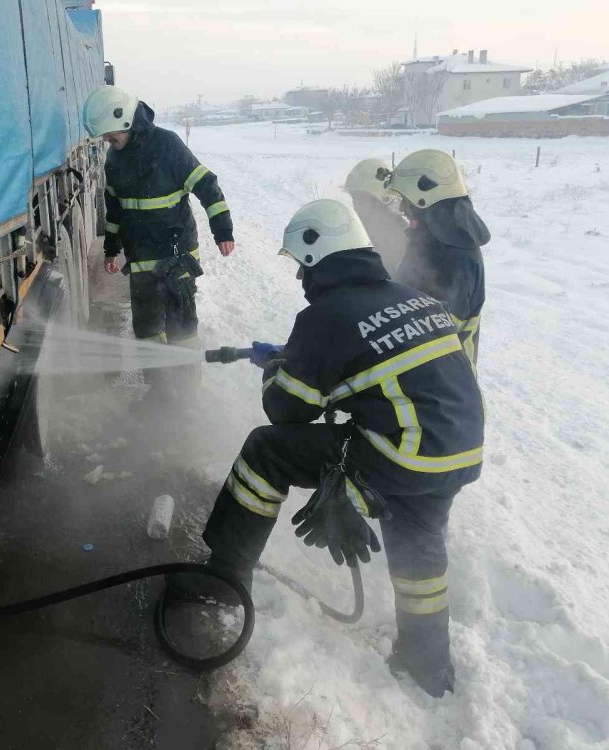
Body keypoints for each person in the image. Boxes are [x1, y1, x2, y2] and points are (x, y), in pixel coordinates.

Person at [169, 199, 485, 697]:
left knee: (265, 452)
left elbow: (286, 411)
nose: (299, 278)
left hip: (400, 451)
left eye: (301, 266)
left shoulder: (324, 317)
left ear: (320, 258)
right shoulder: (413, 297)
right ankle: (427, 664)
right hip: (458, 451)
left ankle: (223, 580)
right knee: (418, 539)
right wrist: (303, 361)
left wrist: (280, 368)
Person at [81, 86, 235, 401]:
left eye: (110, 136)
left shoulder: (168, 146)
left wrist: (223, 231)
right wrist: (112, 248)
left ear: (124, 120)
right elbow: (115, 210)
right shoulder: (115, 159)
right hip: (141, 259)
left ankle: (188, 391)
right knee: (147, 329)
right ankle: (161, 394)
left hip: (175, 255)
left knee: (182, 330)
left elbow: (207, 185)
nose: (109, 143)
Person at [383, 150, 489, 365]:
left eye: (407, 201)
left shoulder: (454, 258)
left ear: (426, 199)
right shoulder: (433, 242)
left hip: (446, 384)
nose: (402, 209)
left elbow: (430, 334)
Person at [345, 158, 409, 273]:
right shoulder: (357, 229)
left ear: (384, 199)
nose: (356, 205)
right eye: (354, 197)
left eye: (362, 198)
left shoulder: (400, 235)